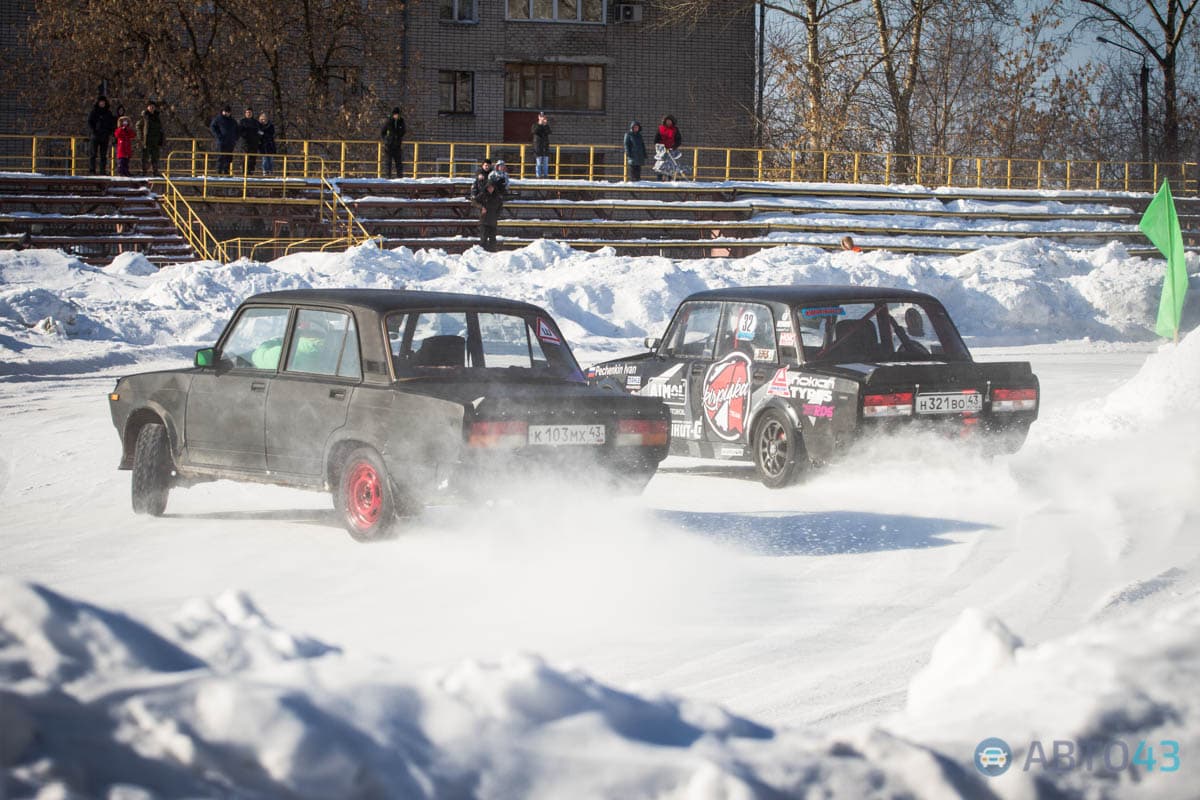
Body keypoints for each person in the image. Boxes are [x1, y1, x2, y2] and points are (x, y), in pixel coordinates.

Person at [472, 178, 504, 252]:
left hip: (493, 220)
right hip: (484, 220)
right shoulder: (482, 195)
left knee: (493, 239)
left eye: (492, 187)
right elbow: (474, 202)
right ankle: (483, 253)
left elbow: (500, 207)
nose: (490, 189)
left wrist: (497, 215)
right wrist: (481, 207)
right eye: (489, 187)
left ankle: (492, 253)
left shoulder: (497, 197)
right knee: (483, 238)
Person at [86, 95, 117, 175]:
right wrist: (93, 131)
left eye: (103, 102)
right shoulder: (94, 111)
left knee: (103, 155)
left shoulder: (108, 112)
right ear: (98, 103)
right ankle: (92, 170)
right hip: (95, 135)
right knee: (93, 154)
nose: (102, 103)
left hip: (105, 136)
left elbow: (112, 123)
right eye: (101, 102)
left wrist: (110, 132)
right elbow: (89, 122)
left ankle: (102, 171)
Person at [136, 100, 164, 176]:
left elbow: (160, 128)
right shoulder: (144, 116)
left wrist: (161, 139)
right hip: (146, 140)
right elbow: (138, 126)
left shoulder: (157, 116)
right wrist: (140, 137)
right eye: (150, 106)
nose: (151, 108)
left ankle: (155, 172)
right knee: (145, 157)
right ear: (147, 107)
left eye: (153, 106)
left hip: (155, 140)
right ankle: (144, 171)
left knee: (155, 157)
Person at [209, 106, 238, 175]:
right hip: (221, 141)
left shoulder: (232, 121)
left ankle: (226, 170)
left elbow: (237, 130)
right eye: (225, 111)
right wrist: (218, 136)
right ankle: (219, 170)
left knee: (229, 157)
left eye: (228, 112)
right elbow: (213, 127)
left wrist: (235, 138)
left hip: (230, 141)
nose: (226, 113)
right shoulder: (218, 119)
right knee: (221, 156)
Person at [654, 115, 682, 181]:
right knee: (660, 166)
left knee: (671, 166)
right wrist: (660, 147)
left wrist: (674, 146)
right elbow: (656, 139)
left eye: (670, 121)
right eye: (667, 121)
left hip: (671, 150)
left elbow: (678, 139)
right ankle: (659, 180)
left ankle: (670, 180)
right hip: (662, 151)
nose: (669, 122)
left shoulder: (675, 129)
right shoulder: (660, 128)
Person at [381, 107, 406, 178]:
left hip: (397, 145)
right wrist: (386, 140)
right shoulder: (388, 121)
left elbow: (404, 130)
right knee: (388, 162)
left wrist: (399, 135)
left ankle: (400, 176)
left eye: (397, 114)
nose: (396, 116)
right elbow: (383, 132)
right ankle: (388, 176)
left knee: (398, 162)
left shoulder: (401, 121)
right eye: (395, 114)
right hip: (389, 145)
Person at [237, 107, 260, 175]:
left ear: (252, 113)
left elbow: (259, 131)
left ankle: (251, 171)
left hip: (254, 143)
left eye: (250, 112)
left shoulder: (255, 122)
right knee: (245, 158)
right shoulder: (242, 121)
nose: (248, 114)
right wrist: (245, 134)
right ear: (245, 113)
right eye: (247, 112)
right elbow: (239, 131)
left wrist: (257, 137)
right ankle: (244, 171)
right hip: (245, 143)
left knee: (252, 158)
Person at [531, 111, 551, 178]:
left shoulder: (546, 126)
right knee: (539, 163)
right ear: (539, 117)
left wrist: (545, 125)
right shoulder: (535, 125)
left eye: (544, 117)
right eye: (541, 117)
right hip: (538, 147)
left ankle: (546, 175)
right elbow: (534, 131)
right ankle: (538, 176)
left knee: (545, 163)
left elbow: (549, 132)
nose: (542, 118)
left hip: (545, 147)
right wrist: (540, 124)